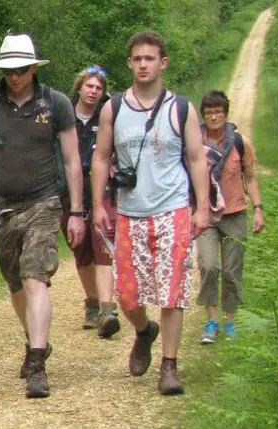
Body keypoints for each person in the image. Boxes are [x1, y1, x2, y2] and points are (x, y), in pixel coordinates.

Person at [0, 34, 85, 398]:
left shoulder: (56, 102)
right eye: (8, 70)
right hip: (3, 206)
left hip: (46, 201)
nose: (14, 76)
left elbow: (71, 159)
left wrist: (76, 210)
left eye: (21, 69)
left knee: (35, 277)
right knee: (15, 283)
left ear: (33, 68)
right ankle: (36, 341)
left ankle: (37, 363)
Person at [92, 30, 209, 396]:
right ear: (130, 63)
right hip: (130, 212)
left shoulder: (182, 108)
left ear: (163, 62)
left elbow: (196, 159)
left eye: (150, 58)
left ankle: (169, 366)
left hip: (173, 209)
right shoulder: (114, 107)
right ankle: (144, 332)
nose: (143, 64)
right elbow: (100, 157)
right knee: (128, 296)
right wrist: (97, 204)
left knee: (172, 293)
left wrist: (202, 207)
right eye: (137, 58)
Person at [197, 89, 264, 343]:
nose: (214, 116)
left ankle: (230, 322)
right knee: (209, 265)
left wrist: (258, 208)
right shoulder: (195, 141)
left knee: (232, 270)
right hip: (206, 215)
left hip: (235, 212)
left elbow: (250, 177)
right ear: (204, 114)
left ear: (226, 114)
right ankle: (211, 321)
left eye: (218, 111)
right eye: (209, 111)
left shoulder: (240, 142)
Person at [66, 65, 122, 338]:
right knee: (81, 251)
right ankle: (91, 301)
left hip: (103, 190)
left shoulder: (109, 116)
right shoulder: (63, 116)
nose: (94, 91)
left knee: (104, 247)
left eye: (99, 88)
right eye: (89, 86)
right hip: (68, 193)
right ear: (79, 87)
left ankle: (107, 309)